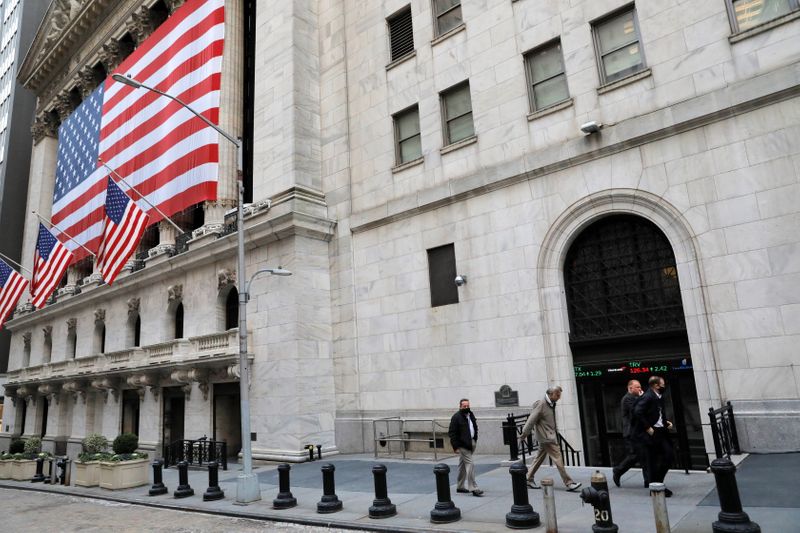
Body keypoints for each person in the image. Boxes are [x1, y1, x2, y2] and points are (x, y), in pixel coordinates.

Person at [519, 386, 582, 492]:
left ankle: (528, 479)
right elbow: (531, 420)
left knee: (539, 458)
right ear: (550, 394)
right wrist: (524, 434)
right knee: (558, 458)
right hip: (547, 438)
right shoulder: (542, 404)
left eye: (559, 395)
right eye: (557, 395)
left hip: (547, 436)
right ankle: (569, 482)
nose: (559, 397)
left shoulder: (551, 403)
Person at [634, 375, 675, 497]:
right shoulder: (648, 396)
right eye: (662, 384)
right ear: (656, 385)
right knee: (653, 460)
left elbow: (657, 412)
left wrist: (665, 421)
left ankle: (658, 484)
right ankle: (656, 487)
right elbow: (637, 412)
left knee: (668, 456)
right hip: (652, 433)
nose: (664, 386)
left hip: (661, 430)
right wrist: (648, 428)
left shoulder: (658, 396)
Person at [612, 379, 648, 487]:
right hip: (631, 433)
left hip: (639, 432)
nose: (640, 389)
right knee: (634, 456)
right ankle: (618, 470)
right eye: (637, 387)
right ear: (630, 388)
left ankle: (648, 481)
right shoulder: (627, 399)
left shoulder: (637, 398)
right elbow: (636, 411)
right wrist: (643, 398)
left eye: (640, 386)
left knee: (645, 456)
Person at [448, 398, 483, 496]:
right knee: (470, 464)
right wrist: (455, 447)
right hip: (463, 445)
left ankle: (460, 486)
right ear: (460, 406)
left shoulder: (471, 415)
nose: (466, 407)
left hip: (471, 443)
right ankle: (473, 488)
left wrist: (475, 438)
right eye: (464, 406)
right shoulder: (456, 417)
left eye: (468, 406)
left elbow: (474, 427)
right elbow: (452, 433)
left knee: (462, 465)